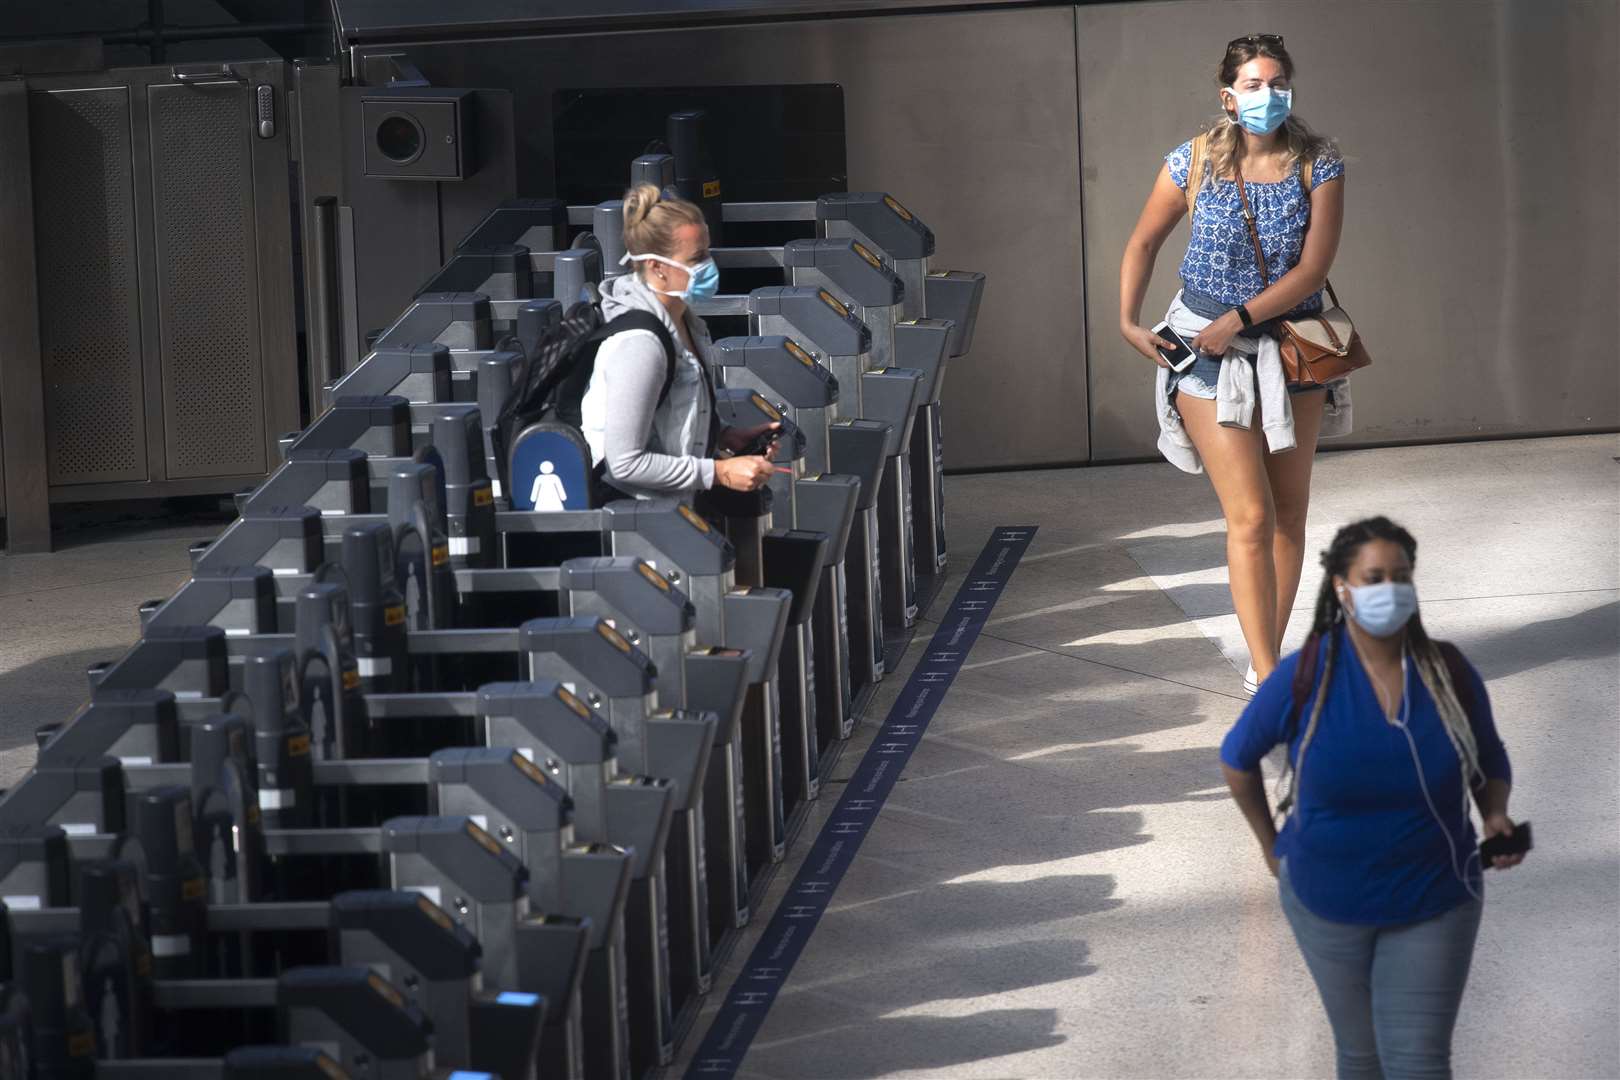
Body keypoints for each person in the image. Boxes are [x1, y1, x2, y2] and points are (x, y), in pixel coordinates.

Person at [1220, 517, 1524, 1080]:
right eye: (1374, 577)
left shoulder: (1447, 670)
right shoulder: (1305, 675)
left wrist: (1496, 813)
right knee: (1361, 1060)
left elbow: (1488, 757)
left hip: (1436, 898)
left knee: (1418, 1063)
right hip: (1326, 901)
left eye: (1401, 577)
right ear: (1342, 588)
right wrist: (1270, 847)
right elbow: (1237, 759)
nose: (1390, 589)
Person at [1120, 33, 1348, 695]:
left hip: (1293, 342)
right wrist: (1129, 322)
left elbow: (1314, 267)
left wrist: (1242, 318)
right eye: (1253, 84)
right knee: (1248, 516)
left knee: (1289, 513)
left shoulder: (1319, 162)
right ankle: (1272, 677)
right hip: (1203, 346)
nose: (1268, 94)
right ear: (1228, 95)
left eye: (1278, 82)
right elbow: (1142, 241)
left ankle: (1263, 654)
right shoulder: (1191, 162)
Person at [581, 183, 777, 501]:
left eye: (707, 252)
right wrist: (720, 472)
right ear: (657, 267)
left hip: (672, 512)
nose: (708, 266)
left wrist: (723, 437)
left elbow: (670, 421)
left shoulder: (687, 322)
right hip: (636, 523)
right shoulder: (640, 345)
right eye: (697, 258)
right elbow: (624, 464)